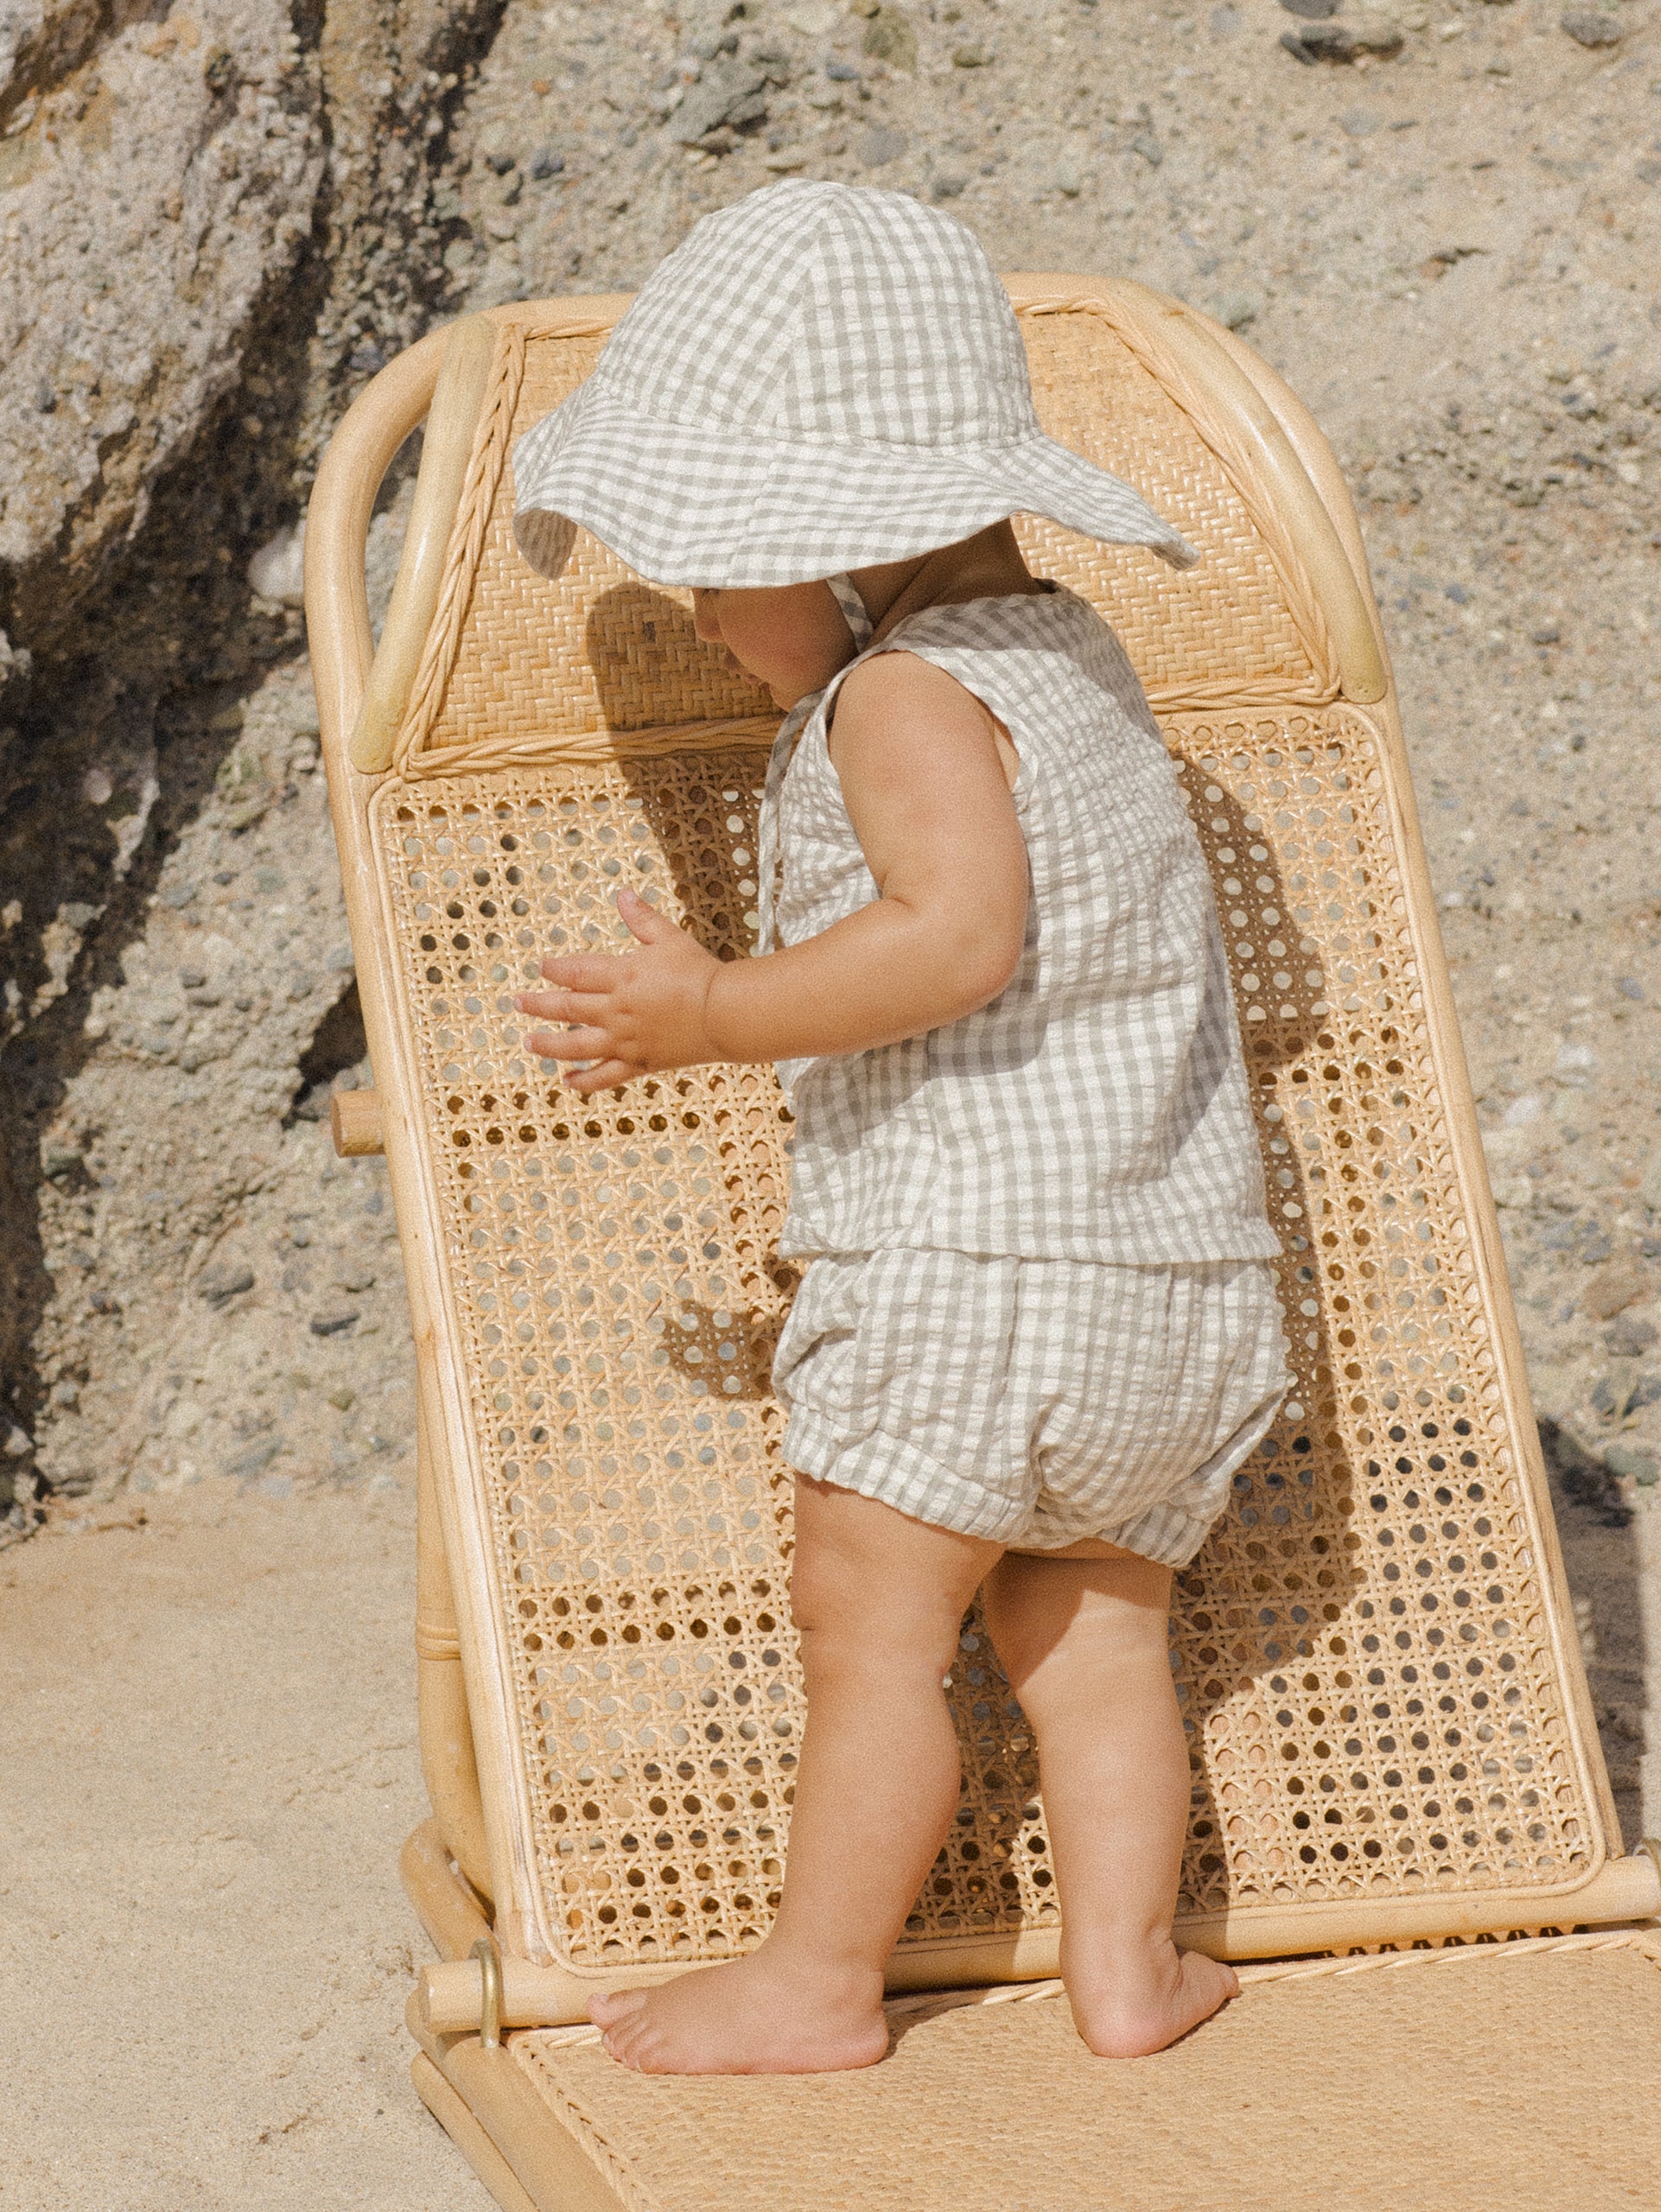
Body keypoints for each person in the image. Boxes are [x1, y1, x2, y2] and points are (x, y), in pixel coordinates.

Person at [512, 180, 1283, 2077]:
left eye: (718, 560)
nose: (700, 609)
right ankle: (1128, 1965)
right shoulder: (1074, 657)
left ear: (850, 551)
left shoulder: (900, 691)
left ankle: (818, 1968)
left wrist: (703, 1010)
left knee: (871, 1636)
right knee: (1094, 1643)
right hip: (1177, 1303)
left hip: (974, 1285)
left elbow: (953, 935)